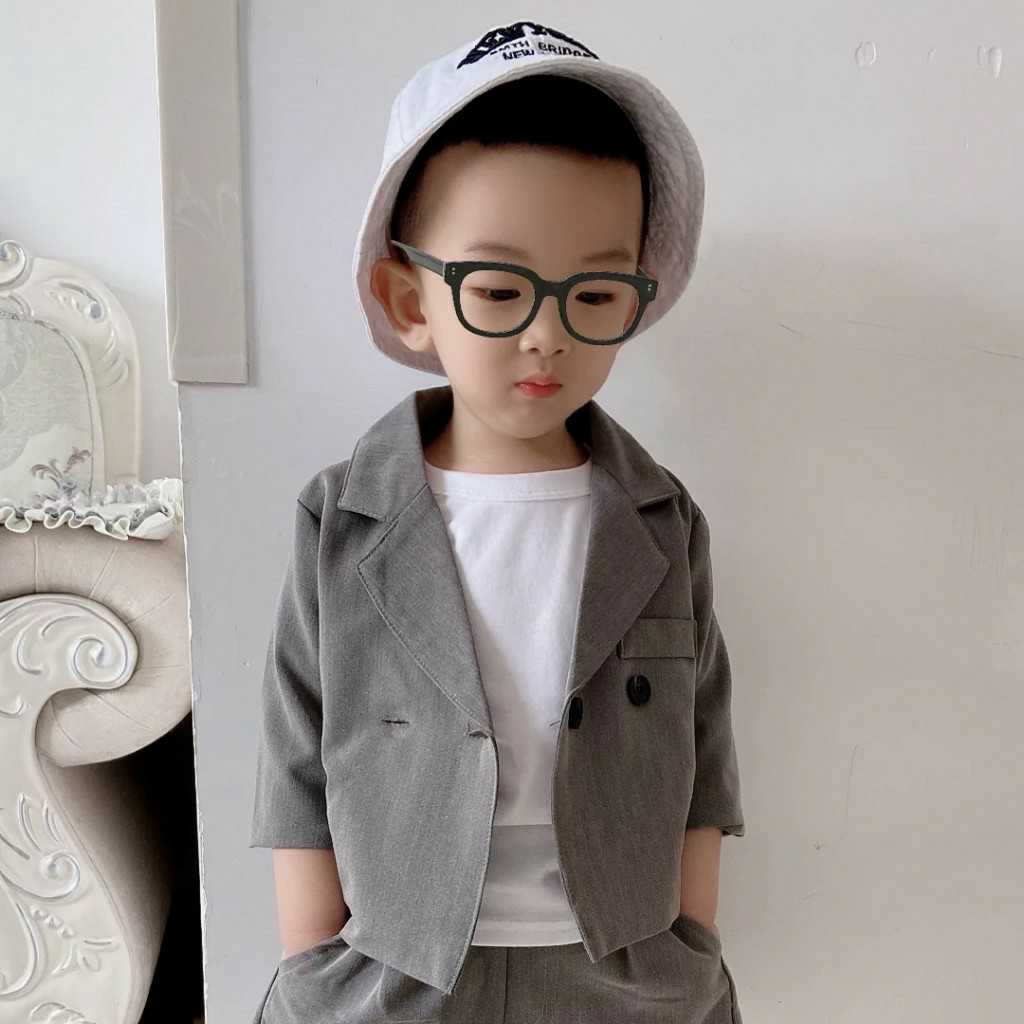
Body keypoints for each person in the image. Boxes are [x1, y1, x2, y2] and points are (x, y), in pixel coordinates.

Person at [249, 18, 746, 1023]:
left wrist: (688, 941)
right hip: (395, 969)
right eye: (498, 288)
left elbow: (703, 745)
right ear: (408, 298)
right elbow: (297, 746)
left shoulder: (660, 518)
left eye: (594, 292)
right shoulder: (341, 517)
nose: (546, 332)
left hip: (625, 972)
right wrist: (315, 963)